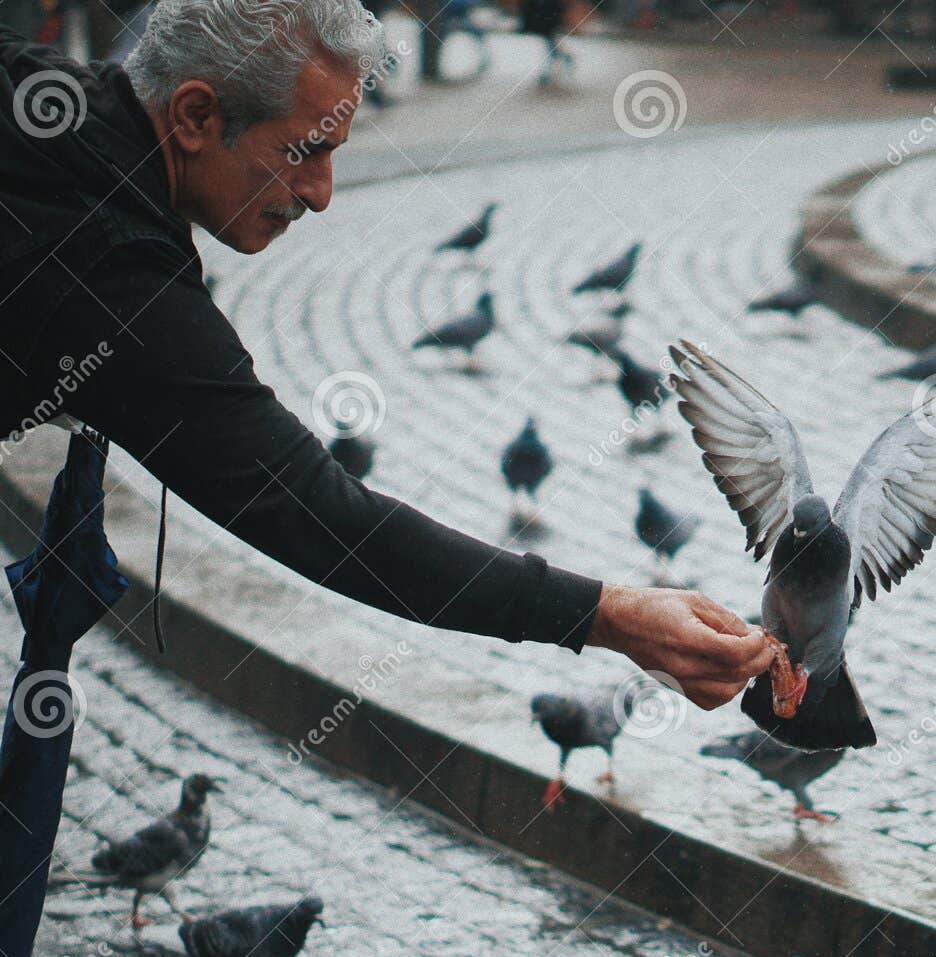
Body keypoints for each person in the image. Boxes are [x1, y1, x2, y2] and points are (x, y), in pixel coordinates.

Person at [0, 0, 772, 709]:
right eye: (304, 150)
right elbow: (322, 516)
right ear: (196, 115)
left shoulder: (42, 102)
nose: (322, 191)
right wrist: (608, 615)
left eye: (335, 153)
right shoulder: (120, 280)